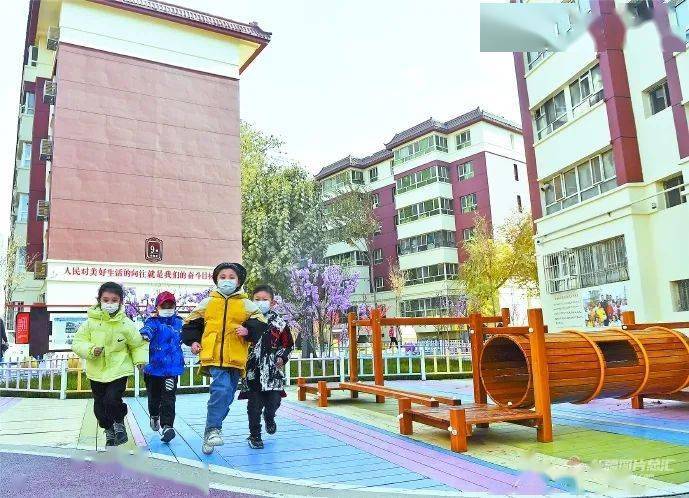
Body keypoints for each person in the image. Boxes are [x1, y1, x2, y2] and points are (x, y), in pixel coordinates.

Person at [182, 263, 268, 455]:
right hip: (213, 356)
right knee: (220, 389)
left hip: (236, 357)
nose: (227, 280)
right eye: (222, 276)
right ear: (216, 280)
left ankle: (209, 431)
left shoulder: (246, 304)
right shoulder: (208, 302)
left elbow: (261, 323)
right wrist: (194, 341)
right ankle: (214, 429)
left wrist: (248, 331)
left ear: (239, 281)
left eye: (231, 277)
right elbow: (191, 322)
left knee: (227, 397)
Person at [72, 282, 148, 446]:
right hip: (96, 371)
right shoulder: (89, 323)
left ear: (121, 302)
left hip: (119, 369)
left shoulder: (126, 324)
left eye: (114, 300)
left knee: (112, 399)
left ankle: (119, 422)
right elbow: (77, 343)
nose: (110, 303)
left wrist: (140, 360)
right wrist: (91, 350)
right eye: (106, 300)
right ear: (99, 300)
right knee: (99, 407)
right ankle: (108, 430)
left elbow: (137, 344)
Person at [238, 284, 294, 449]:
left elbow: (288, 344)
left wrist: (282, 358)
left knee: (274, 402)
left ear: (272, 302)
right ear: (251, 301)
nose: (260, 302)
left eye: (265, 300)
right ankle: (254, 435)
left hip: (273, 372)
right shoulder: (246, 321)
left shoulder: (279, 323)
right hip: (253, 372)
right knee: (254, 406)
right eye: (257, 300)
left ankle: (269, 416)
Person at [140, 291, 184, 443]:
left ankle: (167, 426)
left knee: (168, 398)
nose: (167, 307)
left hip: (171, 370)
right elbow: (147, 330)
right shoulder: (152, 322)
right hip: (153, 369)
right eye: (163, 305)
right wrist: (145, 335)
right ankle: (154, 415)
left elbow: (189, 335)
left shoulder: (180, 322)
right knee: (154, 397)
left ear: (175, 306)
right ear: (157, 307)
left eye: (170, 305)